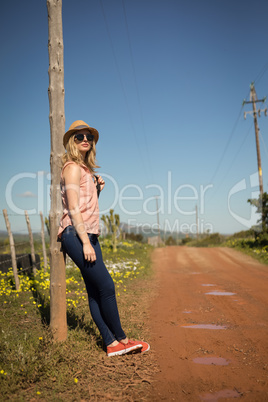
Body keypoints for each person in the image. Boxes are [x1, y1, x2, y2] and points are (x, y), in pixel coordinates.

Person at [57, 120, 150, 357]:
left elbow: (85, 205)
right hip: (76, 235)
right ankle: (123, 339)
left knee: (95, 290)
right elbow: (73, 208)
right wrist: (85, 243)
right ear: (71, 141)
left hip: (88, 233)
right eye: (79, 136)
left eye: (89, 136)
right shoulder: (72, 167)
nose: (85, 139)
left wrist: (97, 189)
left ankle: (110, 343)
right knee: (107, 286)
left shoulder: (84, 170)